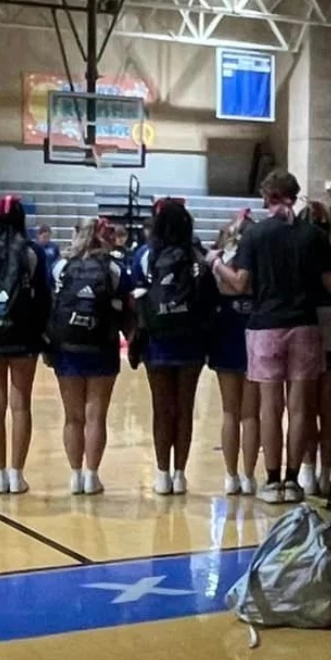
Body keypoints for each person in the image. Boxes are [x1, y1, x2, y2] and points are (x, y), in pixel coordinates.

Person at [211, 170, 331, 504]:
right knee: (300, 408)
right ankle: (294, 479)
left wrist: (216, 265)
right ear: (295, 194)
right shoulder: (313, 235)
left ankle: (271, 481)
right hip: (304, 325)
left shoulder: (256, 234)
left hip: (265, 324)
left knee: (270, 407)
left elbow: (240, 282)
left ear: (267, 197)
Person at [0, 195, 51, 495]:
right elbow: (44, 297)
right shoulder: (33, 252)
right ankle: (17, 474)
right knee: (21, 404)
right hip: (23, 335)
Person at [132, 198, 209, 496]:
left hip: (156, 343)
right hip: (191, 343)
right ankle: (180, 474)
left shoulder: (144, 255)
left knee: (161, 408)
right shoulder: (197, 257)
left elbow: (135, 298)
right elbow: (208, 300)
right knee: (185, 408)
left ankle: (161, 475)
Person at [50, 218, 126, 495]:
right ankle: (92, 476)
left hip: (67, 347)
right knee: (96, 415)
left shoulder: (60, 266)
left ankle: (75, 475)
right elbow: (126, 305)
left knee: (72, 417)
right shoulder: (115, 267)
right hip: (102, 346)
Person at [210, 211, 260, 496]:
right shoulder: (259, 260)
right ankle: (250, 476)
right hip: (253, 330)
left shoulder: (220, 261)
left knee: (230, 411)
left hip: (227, 330)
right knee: (251, 414)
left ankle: (231, 477)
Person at [302, 201, 331, 496]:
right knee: (327, 407)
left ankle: (308, 471)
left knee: (305, 408)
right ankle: (326, 472)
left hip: (305, 325)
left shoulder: (295, 253)